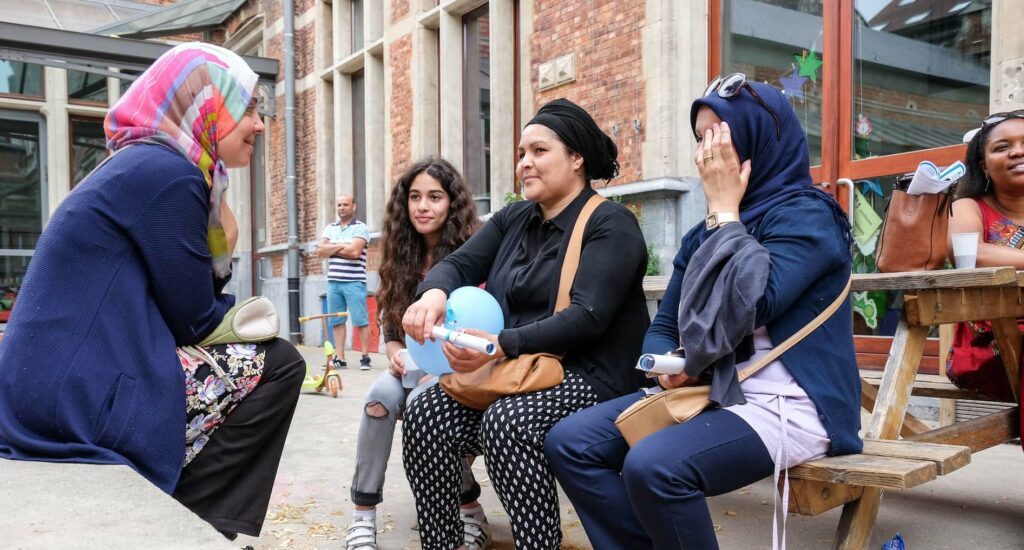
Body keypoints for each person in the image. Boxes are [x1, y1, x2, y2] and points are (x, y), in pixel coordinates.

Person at [0, 43, 305, 540]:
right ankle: (192, 523)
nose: (260, 124)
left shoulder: (144, 165)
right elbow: (195, 320)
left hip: (47, 389)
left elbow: (180, 307)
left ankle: (193, 517)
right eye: (248, 107)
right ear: (207, 103)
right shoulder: (169, 174)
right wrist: (226, 248)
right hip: (72, 398)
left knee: (258, 360)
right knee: (281, 363)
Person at [544, 76, 862, 549]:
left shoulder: (809, 216)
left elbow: (752, 305)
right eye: (700, 139)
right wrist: (665, 366)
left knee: (655, 466)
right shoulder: (703, 233)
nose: (705, 155)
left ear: (758, 139)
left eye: (720, 137)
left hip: (792, 405)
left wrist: (725, 212)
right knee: (571, 442)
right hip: (718, 393)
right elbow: (667, 323)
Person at [400, 98, 650, 549]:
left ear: (576, 158)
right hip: (517, 370)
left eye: (538, 151)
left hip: (591, 375)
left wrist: (499, 343)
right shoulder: (515, 217)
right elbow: (458, 264)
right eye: (520, 154)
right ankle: (443, 543)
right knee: (424, 412)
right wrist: (434, 293)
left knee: (508, 423)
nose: (524, 164)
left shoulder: (610, 224)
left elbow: (587, 318)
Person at [346, 157, 487, 550]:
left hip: (461, 371)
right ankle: (362, 517)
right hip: (411, 367)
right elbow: (391, 330)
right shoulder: (399, 255)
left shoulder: (474, 252)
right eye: (415, 197)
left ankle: (469, 509)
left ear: (452, 203)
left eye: (435, 197)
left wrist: (438, 369)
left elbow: (481, 324)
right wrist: (394, 354)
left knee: (426, 408)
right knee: (378, 399)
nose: (423, 206)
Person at [946, 110, 1024, 411]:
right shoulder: (968, 206)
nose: (1017, 151)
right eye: (1002, 147)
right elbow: (969, 253)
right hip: (993, 344)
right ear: (984, 166)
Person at [318, 195, 373, 370]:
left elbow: (355, 252)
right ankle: (340, 358)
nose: (342, 207)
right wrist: (343, 246)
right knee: (337, 321)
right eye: (339, 204)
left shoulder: (361, 228)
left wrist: (332, 248)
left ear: (353, 206)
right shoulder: (330, 228)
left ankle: (365, 357)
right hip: (334, 282)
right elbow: (320, 251)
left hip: (354, 281)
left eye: (345, 204)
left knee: (360, 320)